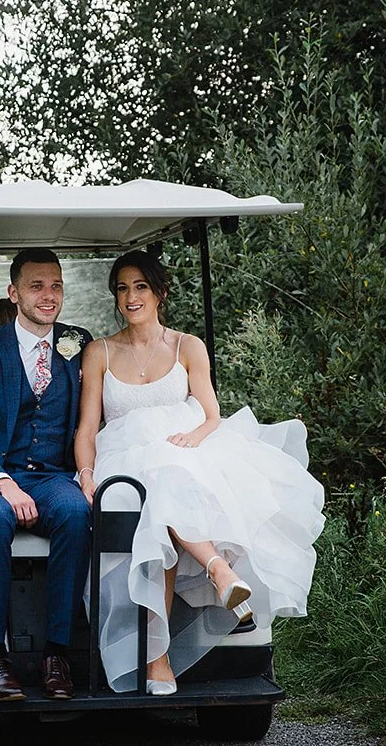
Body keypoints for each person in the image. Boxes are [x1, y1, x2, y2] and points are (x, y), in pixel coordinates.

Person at [75, 249, 324, 695]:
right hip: (125, 458)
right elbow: (88, 428)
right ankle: (216, 571)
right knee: (159, 486)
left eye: (141, 287)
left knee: (167, 488)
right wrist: (87, 474)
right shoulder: (99, 352)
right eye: (122, 288)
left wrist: (197, 437)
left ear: (160, 293)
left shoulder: (187, 346)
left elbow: (211, 414)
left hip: (185, 450)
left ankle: (157, 659)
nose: (131, 297)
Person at [0, 248, 95, 702]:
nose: (49, 296)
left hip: (48, 476)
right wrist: (1, 482)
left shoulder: (77, 343)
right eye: (36, 286)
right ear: (14, 293)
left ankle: (56, 656)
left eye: (56, 285)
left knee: (72, 512)